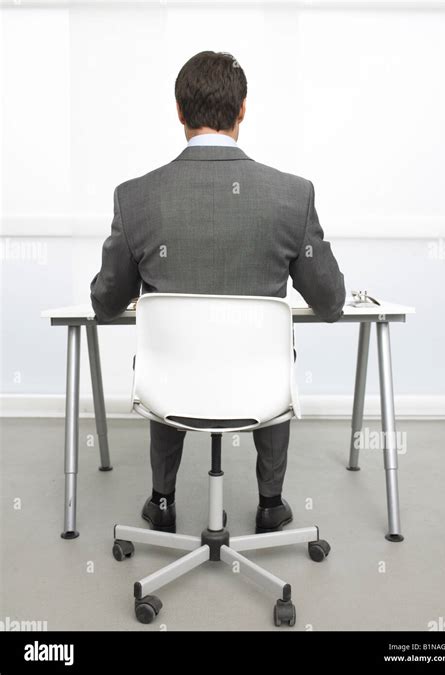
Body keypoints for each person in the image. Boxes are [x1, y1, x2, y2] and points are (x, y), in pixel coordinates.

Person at [90, 51, 345, 535]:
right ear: (243, 109)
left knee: (164, 351)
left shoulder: (136, 197)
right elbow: (331, 303)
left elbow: (105, 303)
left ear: (180, 112)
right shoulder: (292, 196)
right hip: (258, 387)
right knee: (275, 353)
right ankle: (271, 504)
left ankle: (162, 502)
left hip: (172, 387)